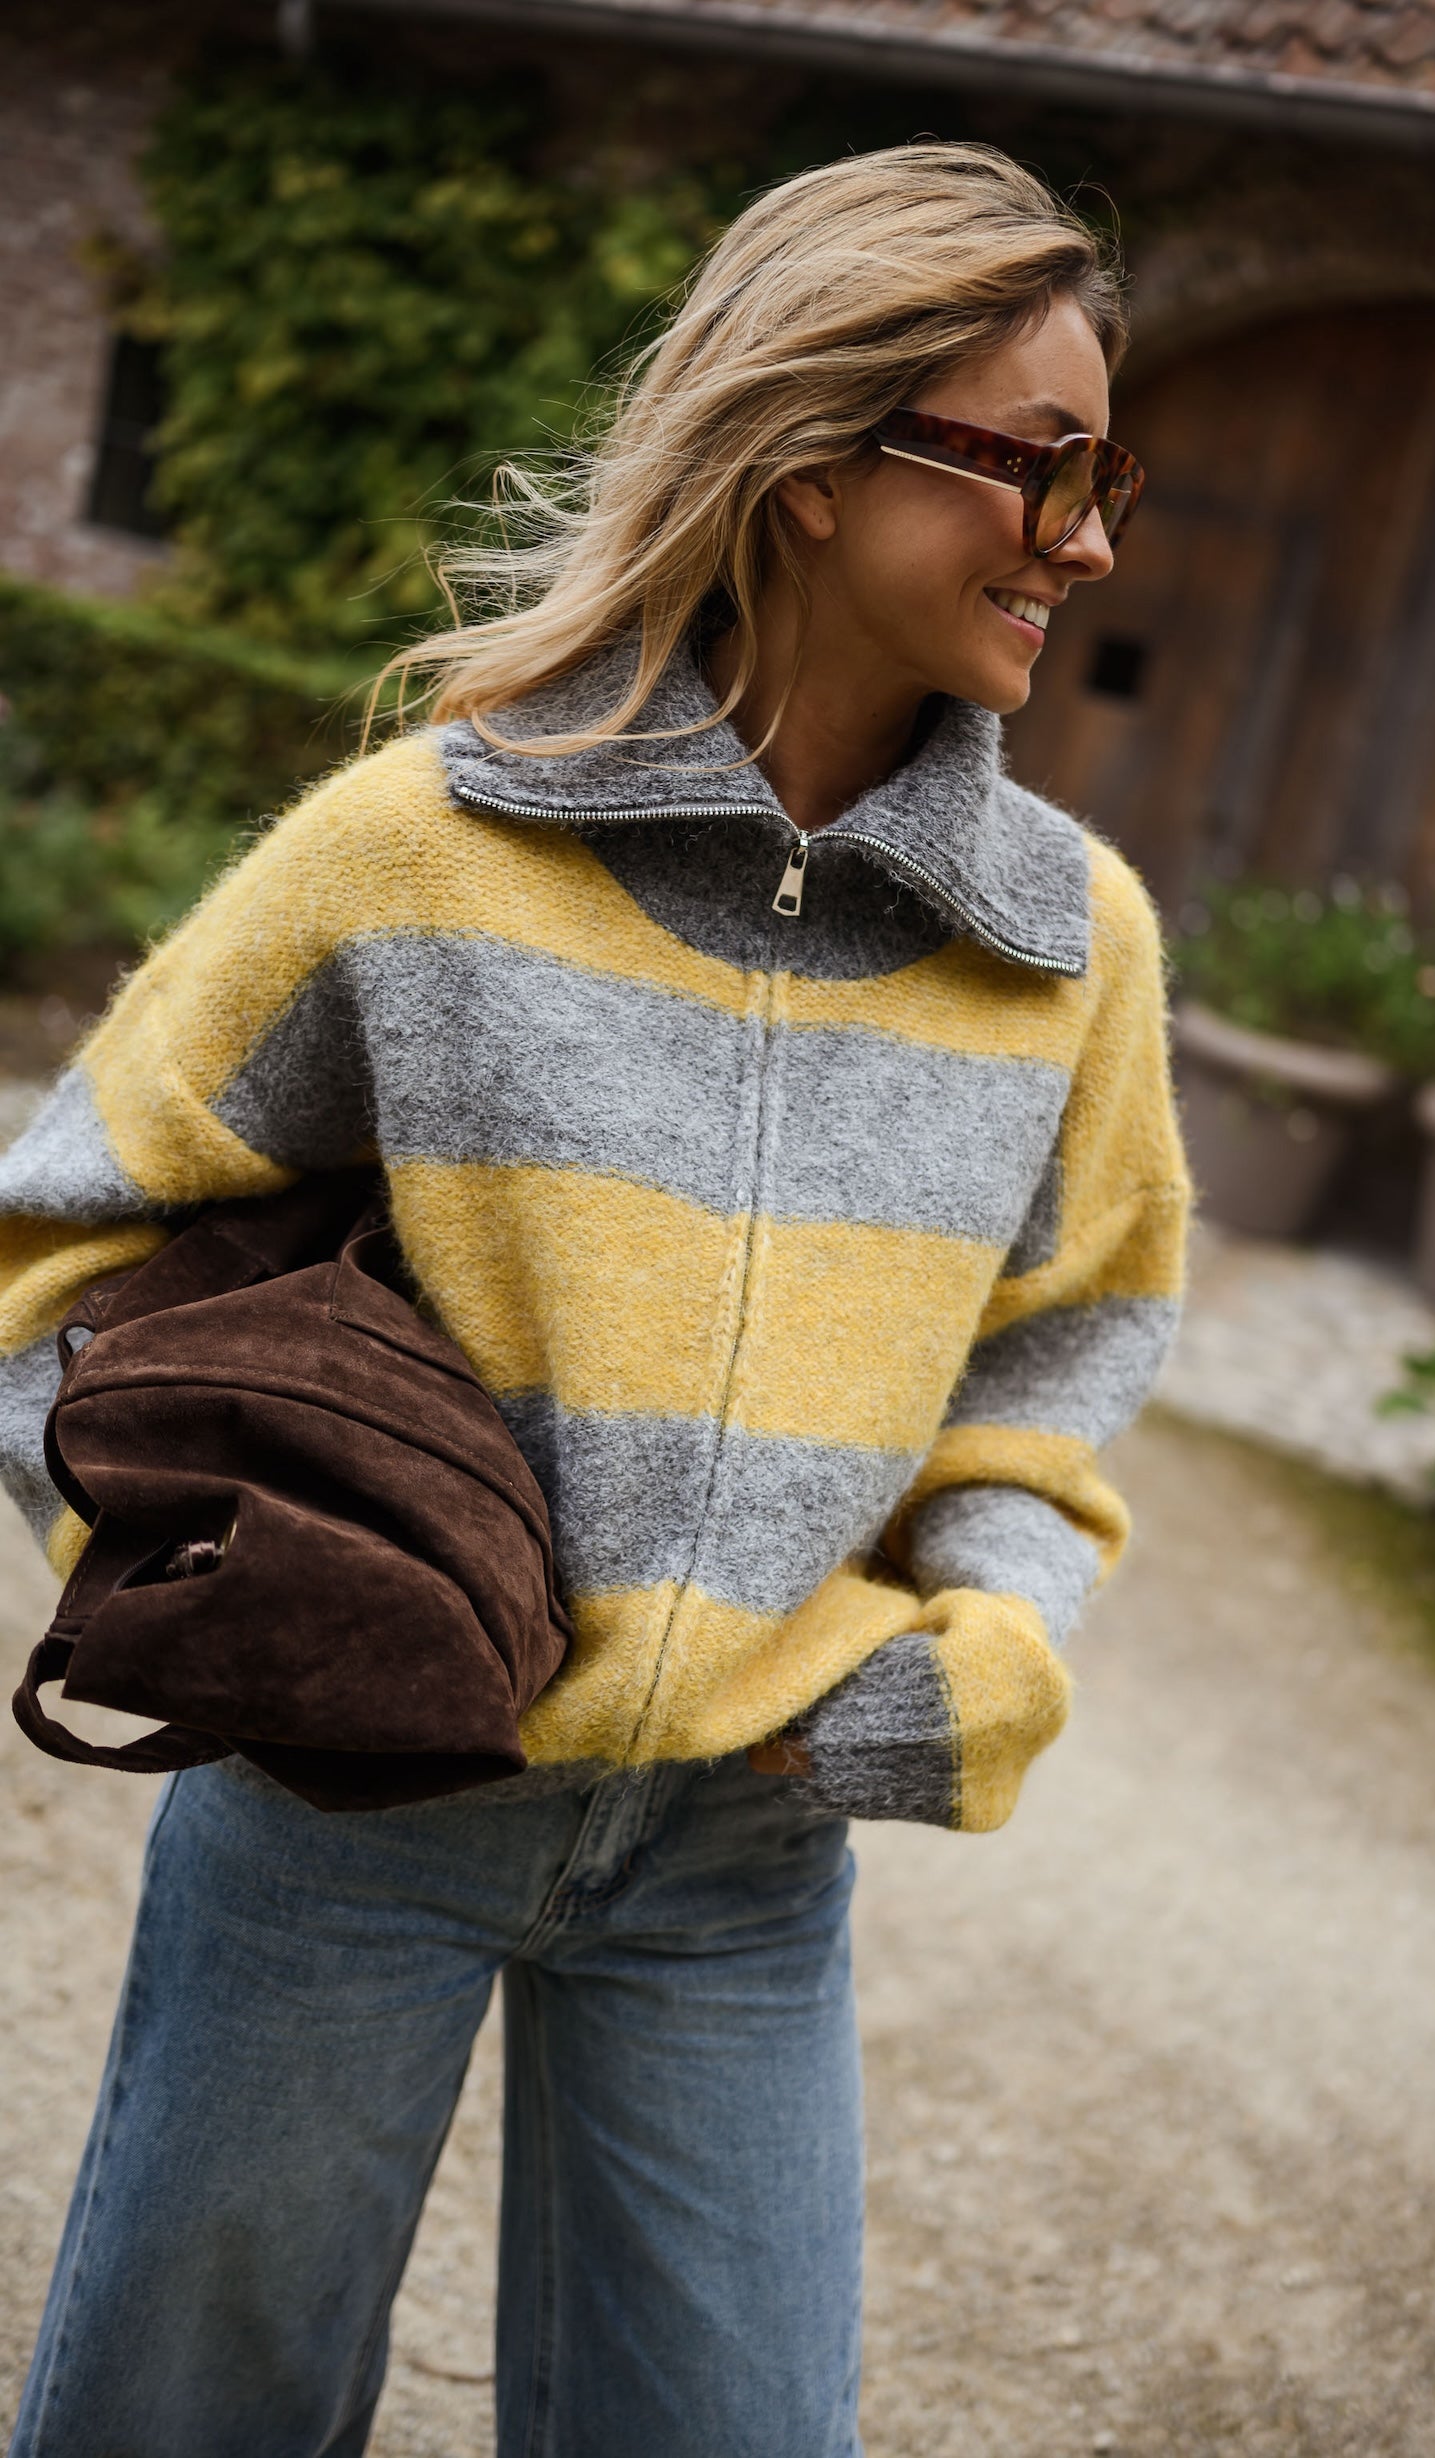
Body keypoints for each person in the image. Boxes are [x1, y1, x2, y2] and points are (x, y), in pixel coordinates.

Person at [0, 142, 1187, 2457]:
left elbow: (1062, 1353)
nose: (1095, 542)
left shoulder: (1068, 944)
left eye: (1111, 476)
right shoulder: (414, 854)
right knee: (179, 2417)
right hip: (354, 1807)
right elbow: (64, 1233)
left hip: (747, 1849)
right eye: (1044, 471)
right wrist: (193, 1576)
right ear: (816, 462)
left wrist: (985, 1653)